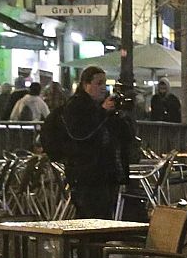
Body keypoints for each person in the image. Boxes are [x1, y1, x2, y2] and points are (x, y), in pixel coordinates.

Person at [53, 66, 133, 219]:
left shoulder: (102, 105)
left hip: (106, 172)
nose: (103, 88)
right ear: (86, 85)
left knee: (105, 216)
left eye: (104, 83)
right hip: (87, 174)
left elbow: (124, 136)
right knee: (91, 216)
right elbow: (81, 133)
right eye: (98, 83)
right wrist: (102, 111)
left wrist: (119, 115)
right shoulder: (76, 106)